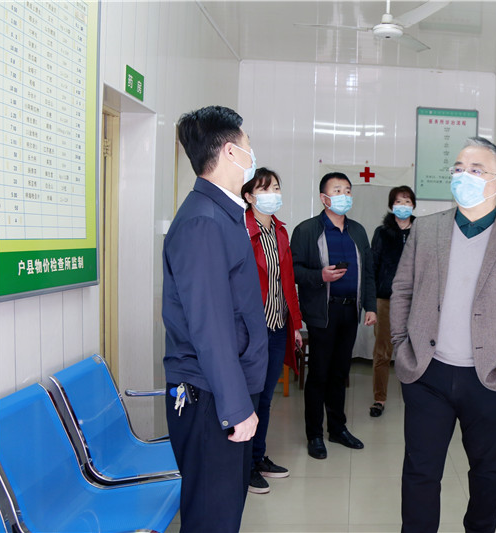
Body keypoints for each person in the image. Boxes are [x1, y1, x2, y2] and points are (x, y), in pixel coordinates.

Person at [390, 137, 496, 533]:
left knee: (486, 471)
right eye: (459, 168)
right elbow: (403, 289)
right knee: (421, 471)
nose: (464, 176)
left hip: (491, 376)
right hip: (428, 373)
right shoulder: (426, 230)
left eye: (476, 170)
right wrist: (400, 347)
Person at [162, 105, 267, 532]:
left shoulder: (222, 214)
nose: (252, 155)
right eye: (247, 146)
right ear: (229, 152)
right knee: (212, 518)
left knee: (223, 512)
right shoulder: (203, 222)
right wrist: (237, 408)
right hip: (211, 398)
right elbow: (210, 328)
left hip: (223, 391)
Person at [290, 172, 377, 460]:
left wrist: (370, 306)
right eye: (338, 190)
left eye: (347, 190)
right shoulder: (307, 230)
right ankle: (314, 434)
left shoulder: (358, 231)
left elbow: (368, 271)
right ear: (324, 198)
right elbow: (293, 271)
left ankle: (337, 428)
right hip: (322, 313)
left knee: (341, 373)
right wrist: (321, 276)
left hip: (350, 311)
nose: (344, 195)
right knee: (319, 374)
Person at [240, 167, 303, 494]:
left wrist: (296, 324)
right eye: (265, 189)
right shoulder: (240, 230)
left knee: (265, 398)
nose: (273, 194)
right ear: (249, 196)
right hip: (252, 330)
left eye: (276, 187)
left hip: (278, 325)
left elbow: (287, 282)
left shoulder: (280, 231)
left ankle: (258, 456)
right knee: (248, 398)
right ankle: (243, 466)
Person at [369, 185, 416, 418]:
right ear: (391, 206)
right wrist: (370, 303)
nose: (403, 206)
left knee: (416, 351)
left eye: (407, 201)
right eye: (398, 201)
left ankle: (418, 395)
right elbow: (372, 267)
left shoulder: (421, 231)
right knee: (383, 351)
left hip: (415, 301)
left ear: (413, 205)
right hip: (385, 299)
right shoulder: (382, 232)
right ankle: (379, 398)